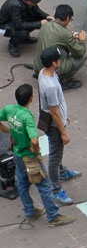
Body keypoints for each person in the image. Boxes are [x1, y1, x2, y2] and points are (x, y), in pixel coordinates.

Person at [4, 83, 70, 225]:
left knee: (22, 183)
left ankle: (30, 211)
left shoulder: (10, 110)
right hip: (29, 157)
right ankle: (53, 216)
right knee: (44, 186)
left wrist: (8, 131)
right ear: (31, 98)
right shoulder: (27, 117)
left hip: (17, 153)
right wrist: (35, 150)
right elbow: (34, 140)